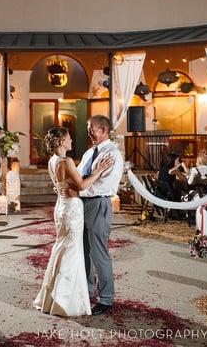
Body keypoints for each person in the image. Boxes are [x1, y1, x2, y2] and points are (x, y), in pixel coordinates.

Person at [33, 126, 113, 317]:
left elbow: (63, 184)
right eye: (69, 138)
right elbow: (83, 185)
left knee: (61, 248)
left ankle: (52, 297)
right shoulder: (66, 160)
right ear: (61, 142)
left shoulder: (52, 161)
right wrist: (100, 170)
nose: (72, 141)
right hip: (72, 207)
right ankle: (65, 300)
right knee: (73, 251)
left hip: (60, 206)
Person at [76, 115, 124, 315]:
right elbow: (79, 176)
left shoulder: (112, 153)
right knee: (84, 250)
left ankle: (106, 298)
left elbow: (95, 181)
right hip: (83, 203)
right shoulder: (89, 152)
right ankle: (87, 291)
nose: (88, 132)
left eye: (91, 128)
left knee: (98, 252)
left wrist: (81, 181)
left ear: (103, 130)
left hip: (98, 202)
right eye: (88, 128)